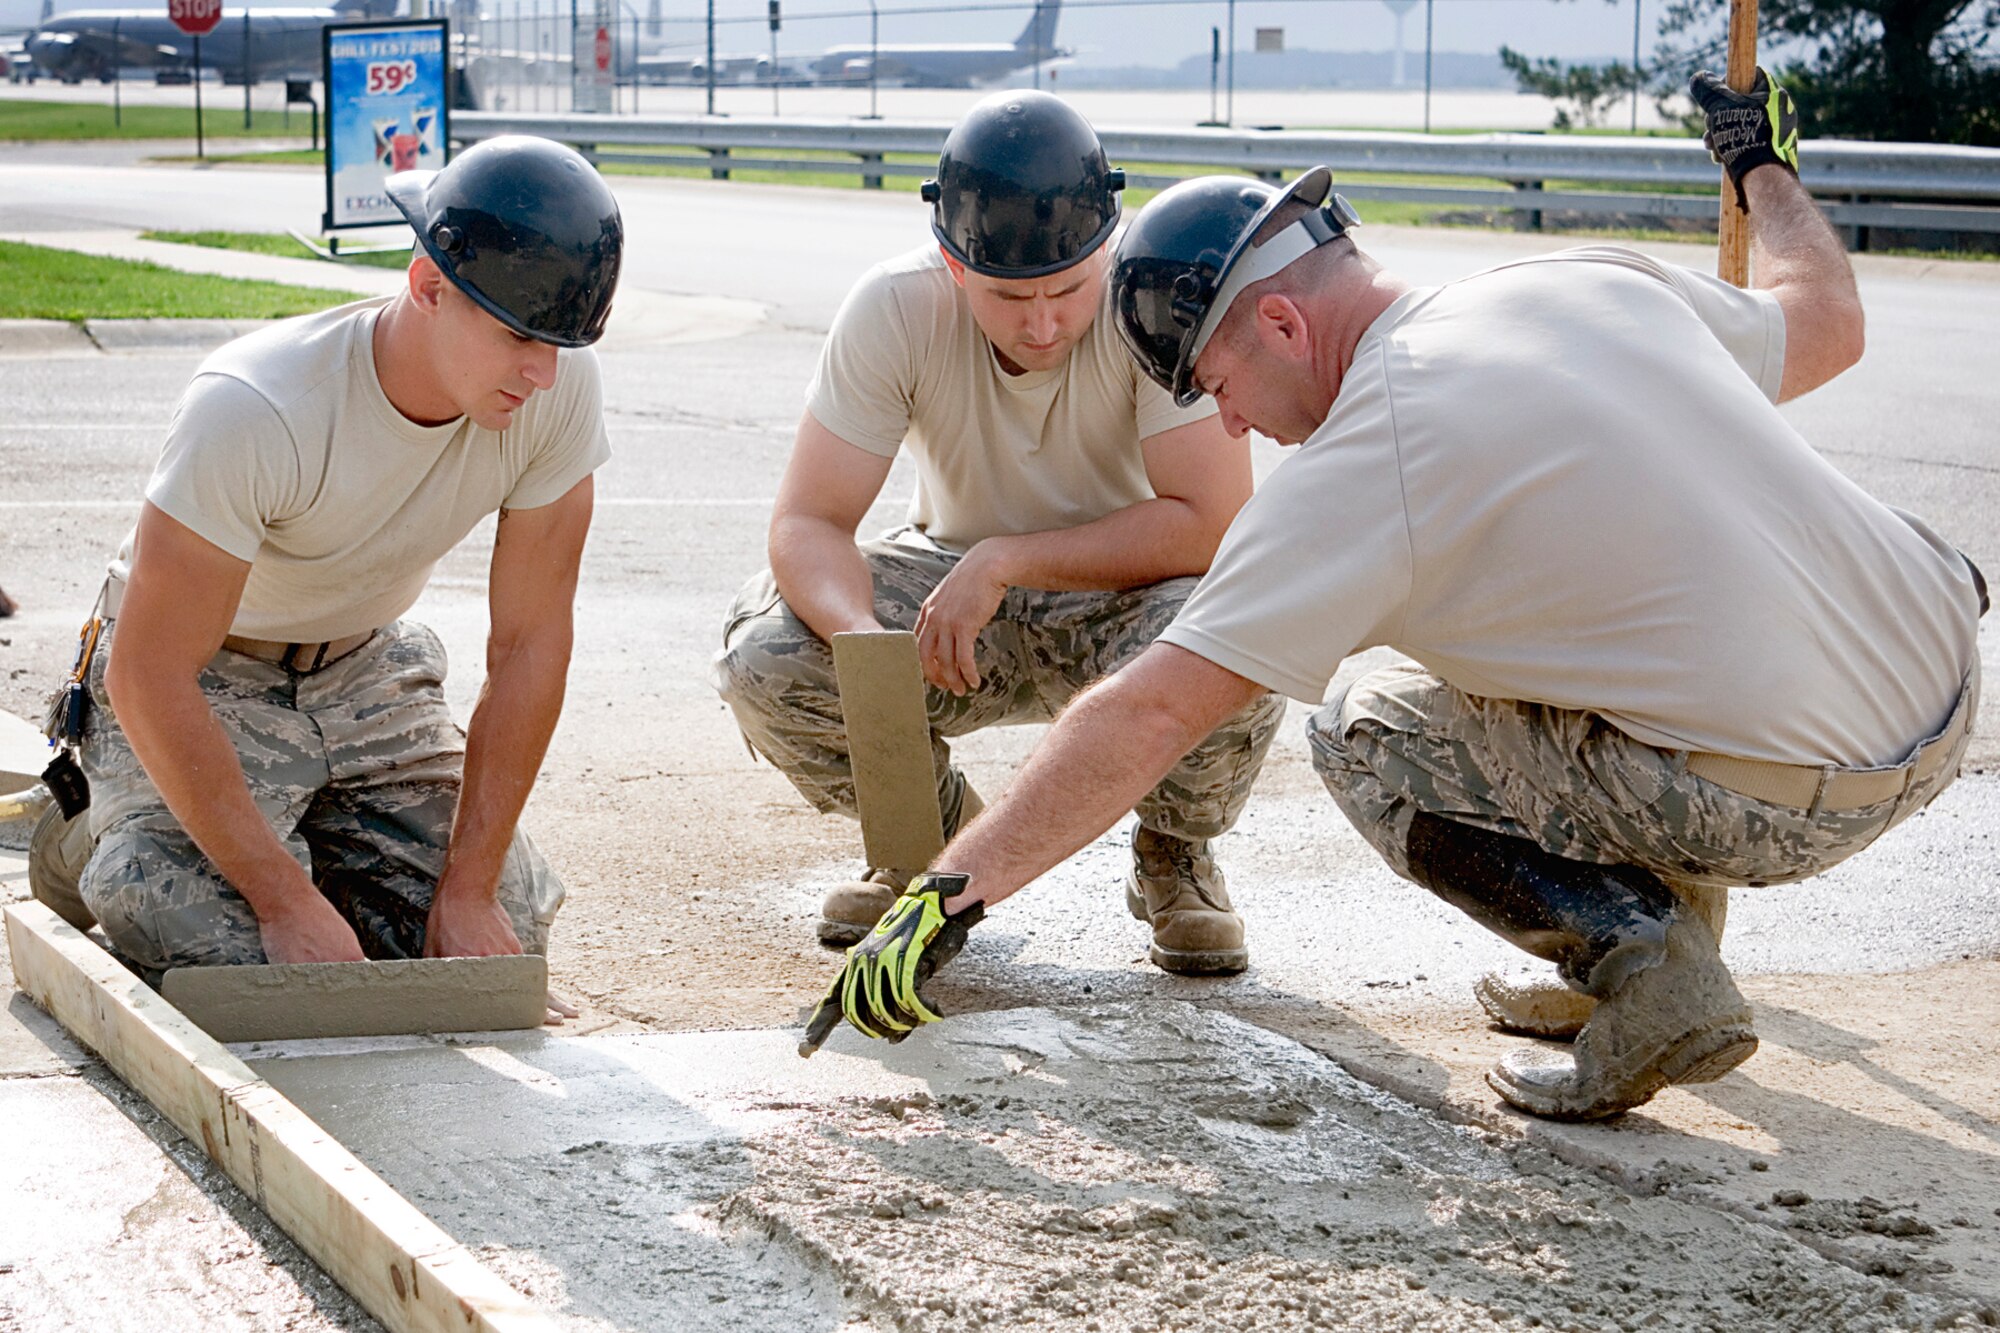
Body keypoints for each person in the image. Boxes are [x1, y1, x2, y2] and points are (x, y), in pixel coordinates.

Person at [810, 71, 1986, 1121]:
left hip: (1788, 803)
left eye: (1220, 383)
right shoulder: (1576, 281)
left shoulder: (1366, 461)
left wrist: (942, 898)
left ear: (1279, 319)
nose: (1227, 422)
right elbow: (1827, 321)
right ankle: (1668, 918)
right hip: (1943, 682)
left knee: (1366, 724)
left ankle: (1639, 955)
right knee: (1578, 623)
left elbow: (1146, 713)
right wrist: (1759, 168)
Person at [27, 135, 623, 986]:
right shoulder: (255, 407)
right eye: (518, 335)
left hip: (363, 667)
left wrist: (468, 886)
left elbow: (530, 644)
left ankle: (295, 836)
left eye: (561, 342)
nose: (543, 373)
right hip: (203, 676)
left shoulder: (555, 390)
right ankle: (96, 821)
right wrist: (282, 902)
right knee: (229, 952)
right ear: (428, 288)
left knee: (500, 936)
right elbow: (152, 669)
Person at [715, 90, 1284, 972]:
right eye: (1011, 297)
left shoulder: (1157, 302)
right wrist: (863, 647)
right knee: (769, 652)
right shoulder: (894, 309)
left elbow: (1211, 526)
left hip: (1127, 603)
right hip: (949, 599)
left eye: (1069, 288)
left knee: (1245, 623)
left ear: (1110, 248)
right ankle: (930, 847)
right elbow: (808, 521)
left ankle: (1174, 852)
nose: (1045, 323)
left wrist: (1009, 561)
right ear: (951, 262)